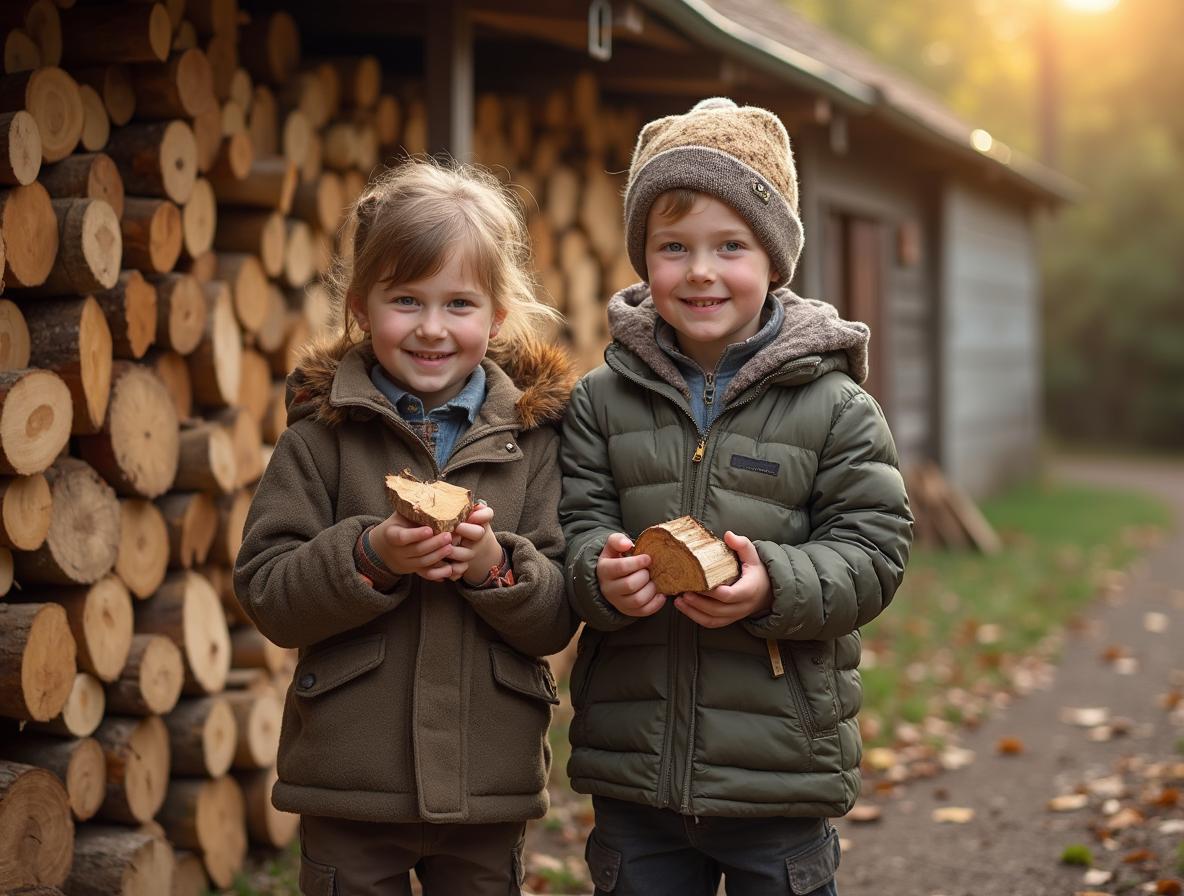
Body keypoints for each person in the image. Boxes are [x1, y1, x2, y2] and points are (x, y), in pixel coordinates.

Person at [559, 98, 914, 896]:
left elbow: (874, 550)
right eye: (673, 246)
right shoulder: (599, 402)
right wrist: (601, 575)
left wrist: (773, 586)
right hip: (635, 768)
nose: (701, 271)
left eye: (731, 246)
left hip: (780, 774)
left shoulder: (836, 406)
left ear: (776, 258)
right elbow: (573, 529)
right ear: (643, 258)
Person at [234, 159, 578, 896]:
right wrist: (370, 555)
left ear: (497, 315)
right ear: (360, 307)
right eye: (405, 301)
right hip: (350, 782)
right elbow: (266, 590)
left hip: (488, 785)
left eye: (459, 304)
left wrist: (493, 565)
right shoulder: (321, 437)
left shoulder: (535, 441)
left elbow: (556, 615)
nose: (431, 328)